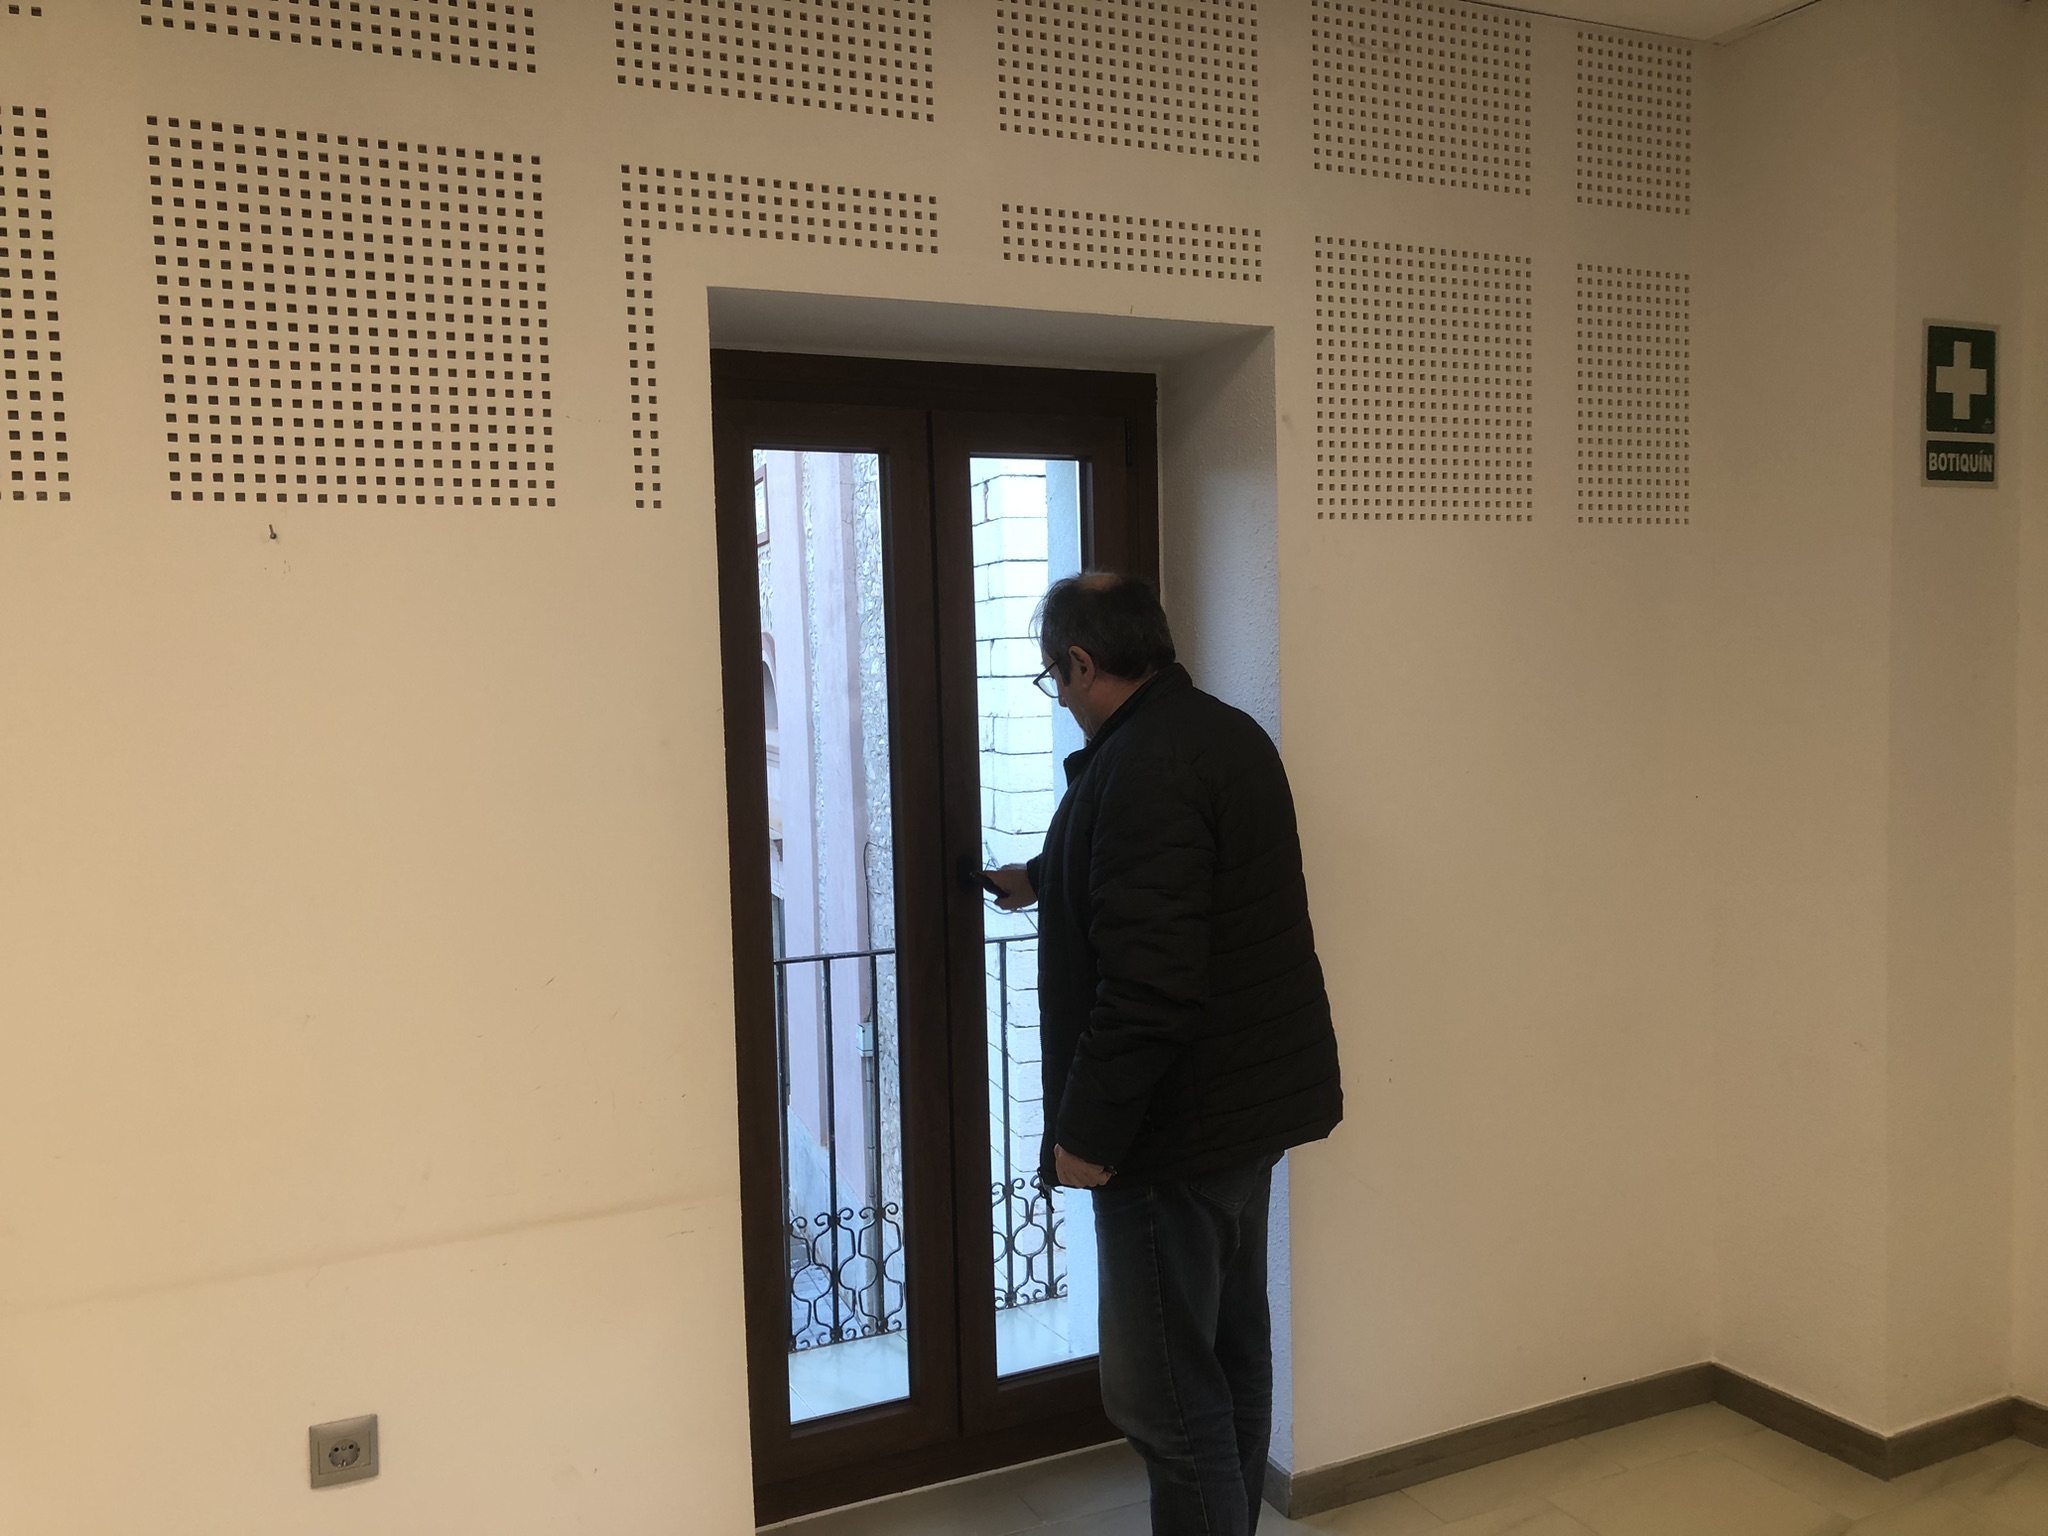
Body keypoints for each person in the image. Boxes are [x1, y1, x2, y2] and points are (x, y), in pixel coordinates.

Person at [985, 572, 1343, 1536]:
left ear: (1083, 663)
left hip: (1168, 1135)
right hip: (1241, 1116)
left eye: (1053, 677)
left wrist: (1086, 1134)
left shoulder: (1140, 767)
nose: (1059, 697)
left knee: (1165, 1400)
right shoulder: (1217, 733)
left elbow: (1150, 984)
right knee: (1229, 1357)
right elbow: (1169, 883)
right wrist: (1039, 878)